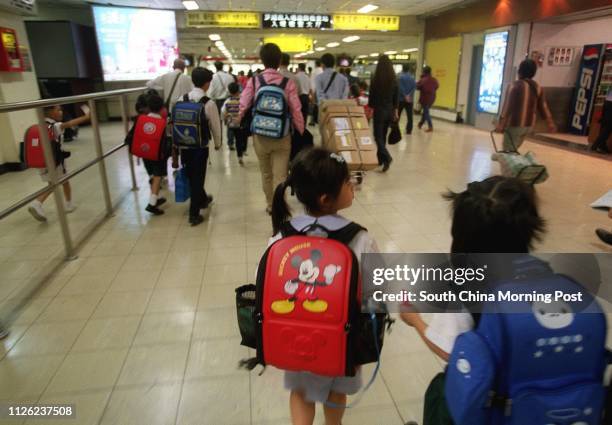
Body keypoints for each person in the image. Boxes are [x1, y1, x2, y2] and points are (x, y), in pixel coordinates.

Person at [400, 176, 546, 421]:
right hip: (525, 401)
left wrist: (414, 319)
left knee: (440, 391)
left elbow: (450, 351)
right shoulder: (542, 276)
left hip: (480, 401)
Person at [269, 147, 379, 425]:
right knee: (336, 392)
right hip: (343, 338)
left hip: (294, 337)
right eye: (346, 182)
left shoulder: (283, 236)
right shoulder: (359, 238)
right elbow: (377, 289)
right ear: (326, 198)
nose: (352, 185)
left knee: (301, 392)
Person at [239, 43, 304, 215]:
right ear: (280, 60)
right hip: (282, 135)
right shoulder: (287, 83)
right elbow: (296, 109)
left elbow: (243, 104)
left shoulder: (255, 80)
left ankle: (269, 204)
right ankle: (279, 206)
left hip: (260, 135)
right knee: (280, 174)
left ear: (262, 60)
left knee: (266, 173)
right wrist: (301, 129)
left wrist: (238, 118)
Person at [173, 67, 222, 226]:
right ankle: (194, 214)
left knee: (191, 174)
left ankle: (203, 199)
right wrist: (218, 143)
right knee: (197, 178)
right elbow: (215, 126)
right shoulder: (208, 103)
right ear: (207, 83)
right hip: (200, 147)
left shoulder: (182, 98)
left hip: (183, 145)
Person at [28, 104, 91, 222]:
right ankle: (37, 203)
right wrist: (86, 117)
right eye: (58, 110)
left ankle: (68, 204)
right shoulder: (54, 126)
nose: (61, 112)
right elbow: (69, 123)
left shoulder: (40, 126)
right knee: (55, 184)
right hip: (55, 161)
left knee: (61, 182)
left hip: (42, 161)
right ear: (50, 112)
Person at [495, 59, 556, 151]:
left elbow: (507, 107)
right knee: (513, 150)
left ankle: (515, 165)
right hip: (528, 126)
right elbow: (543, 107)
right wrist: (550, 123)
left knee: (508, 153)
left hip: (515, 124)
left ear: (520, 71)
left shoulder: (514, 86)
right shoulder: (537, 87)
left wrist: (501, 124)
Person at [126, 93, 168, 215]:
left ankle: (154, 197)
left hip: (144, 153)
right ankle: (152, 204)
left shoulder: (140, 119)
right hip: (157, 155)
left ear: (148, 107)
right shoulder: (162, 123)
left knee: (152, 176)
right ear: (162, 109)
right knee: (157, 177)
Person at [369, 55, 399, 172]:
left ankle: (387, 157)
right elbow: (396, 98)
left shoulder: (375, 78)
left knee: (378, 137)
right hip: (390, 111)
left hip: (379, 111)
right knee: (383, 136)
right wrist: (395, 111)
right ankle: (380, 159)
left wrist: (371, 108)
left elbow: (372, 97)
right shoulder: (394, 79)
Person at [208, 61, 236, 148]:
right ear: (222, 67)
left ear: (215, 67)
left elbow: (211, 92)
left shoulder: (213, 77)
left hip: (217, 102)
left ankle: (219, 141)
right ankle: (230, 143)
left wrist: (211, 98)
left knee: (218, 122)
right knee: (230, 121)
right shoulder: (230, 77)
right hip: (229, 100)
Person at [221, 82, 247, 165]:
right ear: (238, 90)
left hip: (231, 123)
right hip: (240, 124)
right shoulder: (242, 100)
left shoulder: (227, 101)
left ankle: (230, 143)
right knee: (239, 140)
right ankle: (240, 156)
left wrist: (225, 120)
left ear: (229, 91)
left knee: (230, 133)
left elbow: (223, 112)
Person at [416, 65, 439, 133]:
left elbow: (417, 86)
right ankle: (420, 124)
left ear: (424, 71)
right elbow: (437, 86)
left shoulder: (423, 79)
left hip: (425, 98)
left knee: (426, 112)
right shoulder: (434, 79)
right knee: (425, 111)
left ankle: (430, 126)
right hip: (432, 98)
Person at [590, 88, 612, 154]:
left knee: (605, 126)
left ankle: (602, 146)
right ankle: (596, 146)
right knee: (608, 128)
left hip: (607, 102)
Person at [398, 64, 416, 135]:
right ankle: (409, 130)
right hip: (410, 100)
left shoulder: (400, 77)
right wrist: (409, 95)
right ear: (408, 69)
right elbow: (414, 87)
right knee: (410, 116)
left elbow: (400, 88)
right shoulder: (412, 77)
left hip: (401, 99)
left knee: (398, 114)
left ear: (402, 69)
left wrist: (404, 95)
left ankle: (395, 128)